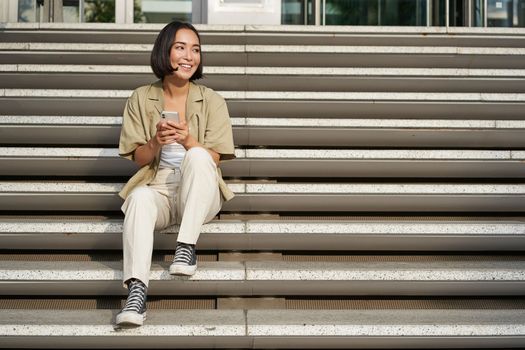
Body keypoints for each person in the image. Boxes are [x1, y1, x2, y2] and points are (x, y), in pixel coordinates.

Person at [115, 21, 235, 327]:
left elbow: (215, 159)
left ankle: (186, 248)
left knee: (196, 155)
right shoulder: (141, 98)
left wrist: (187, 140)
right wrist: (157, 141)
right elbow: (137, 158)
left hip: (200, 191)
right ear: (164, 51)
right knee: (139, 198)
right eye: (180, 47)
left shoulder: (212, 100)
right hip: (159, 189)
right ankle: (136, 294)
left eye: (195, 49)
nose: (189, 56)